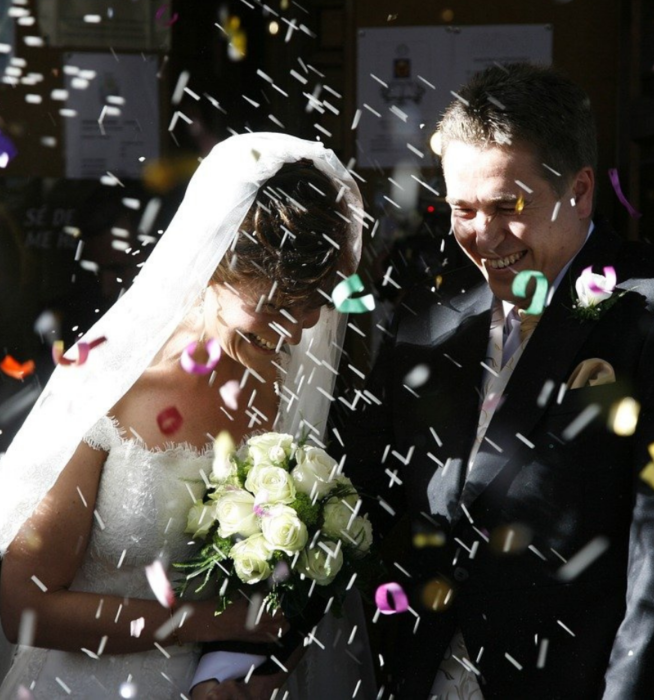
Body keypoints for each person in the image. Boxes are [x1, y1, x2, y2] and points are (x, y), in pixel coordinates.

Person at [338, 63, 654, 699]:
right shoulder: (427, 312)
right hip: (422, 670)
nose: (483, 235)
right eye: (463, 209)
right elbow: (361, 484)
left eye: (508, 206)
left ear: (579, 191)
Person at [0, 133, 375, 699]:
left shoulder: (296, 375)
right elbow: (24, 608)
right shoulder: (112, 379)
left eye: (317, 303)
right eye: (277, 306)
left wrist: (249, 680)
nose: (299, 329)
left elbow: (304, 583)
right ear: (218, 266)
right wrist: (219, 623)